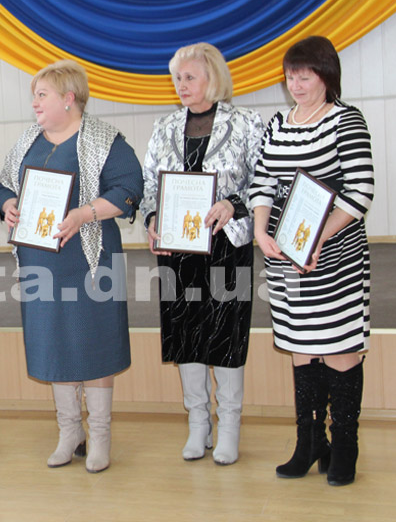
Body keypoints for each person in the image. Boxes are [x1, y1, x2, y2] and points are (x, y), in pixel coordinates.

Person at [0, 60, 143, 473]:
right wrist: (8, 204)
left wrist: (84, 213)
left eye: (42, 95)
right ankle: (69, 432)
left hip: (89, 262)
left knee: (94, 344)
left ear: (68, 98)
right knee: (54, 344)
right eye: (34, 95)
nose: (34, 103)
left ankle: (100, 437)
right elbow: (5, 185)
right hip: (40, 264)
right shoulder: (28, 140)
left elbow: (129, 189)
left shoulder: (104, 140)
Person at [249, 36, 374, 486]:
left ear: (326, 75)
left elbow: (360, 191)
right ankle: (310, 441)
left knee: (338, 347)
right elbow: (262, 181)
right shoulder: (278, 122)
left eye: (305, 76)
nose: (296, 85)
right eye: (290, 76)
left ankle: (345, 445)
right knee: (301, 348)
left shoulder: (346, 120)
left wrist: (319, 236)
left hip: (333, 254)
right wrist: (260, 231)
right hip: (286, 255)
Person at [140, 43, 265, 465]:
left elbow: (264, 181)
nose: (181, 85)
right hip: (177, 250)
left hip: (227, 245)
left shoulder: (246, 122)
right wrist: (152, 217)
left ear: (213, 78)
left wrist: (234, 203)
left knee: (227, 333)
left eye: (189, 77)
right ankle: (198, 422)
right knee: (185, 334)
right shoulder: (164, 126)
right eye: (177, 78)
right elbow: (148, 184)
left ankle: (229, 425)